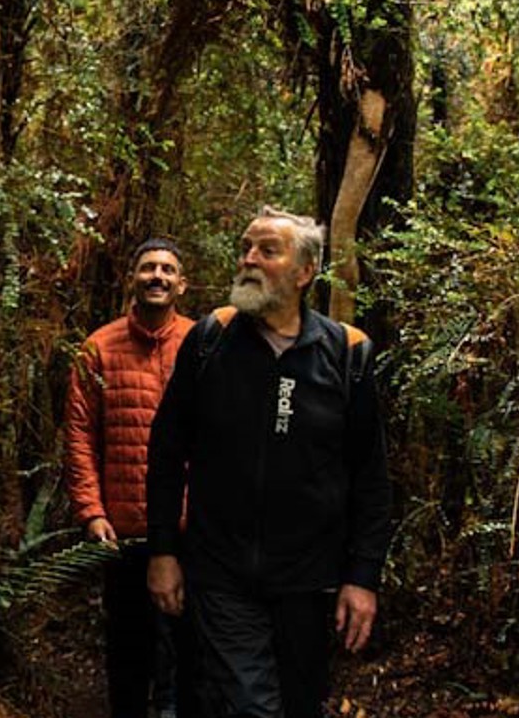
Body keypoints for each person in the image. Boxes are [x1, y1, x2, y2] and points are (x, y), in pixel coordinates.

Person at [144, 207, 392, 718]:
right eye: (246, 249)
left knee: (299, 706)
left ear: (305, 272)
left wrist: (363, 576)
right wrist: (163, 550)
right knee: (251, 705)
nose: (249, 259)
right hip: (222, 576)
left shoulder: (347, 354)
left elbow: (370, 478)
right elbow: (167, 453)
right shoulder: (211, 340)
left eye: (267, 251)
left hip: (309, 582)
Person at [65, 237, 195, 718]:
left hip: (189, 526)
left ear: (182, 284)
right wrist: (91, 511)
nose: (157, 276)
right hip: (123, 529)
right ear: (132, 280)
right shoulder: (98, 347)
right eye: (148, 268)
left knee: (186, 647)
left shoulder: (202, 343)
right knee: (128, 645)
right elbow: (79, 435)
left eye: (167, 269)